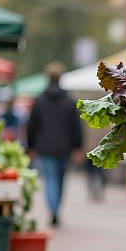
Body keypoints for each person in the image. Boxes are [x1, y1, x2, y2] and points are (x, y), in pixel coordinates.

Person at [27, 62, 83, 227]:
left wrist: (30, 146)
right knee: (60, 180)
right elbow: (76, 126)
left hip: (44, 147)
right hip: (65, 147)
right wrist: (78, 146)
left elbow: (32, 125)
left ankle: (53, 211)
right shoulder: (70, 101)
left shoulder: (39, 100)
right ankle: (56, 209)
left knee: (50, 179)